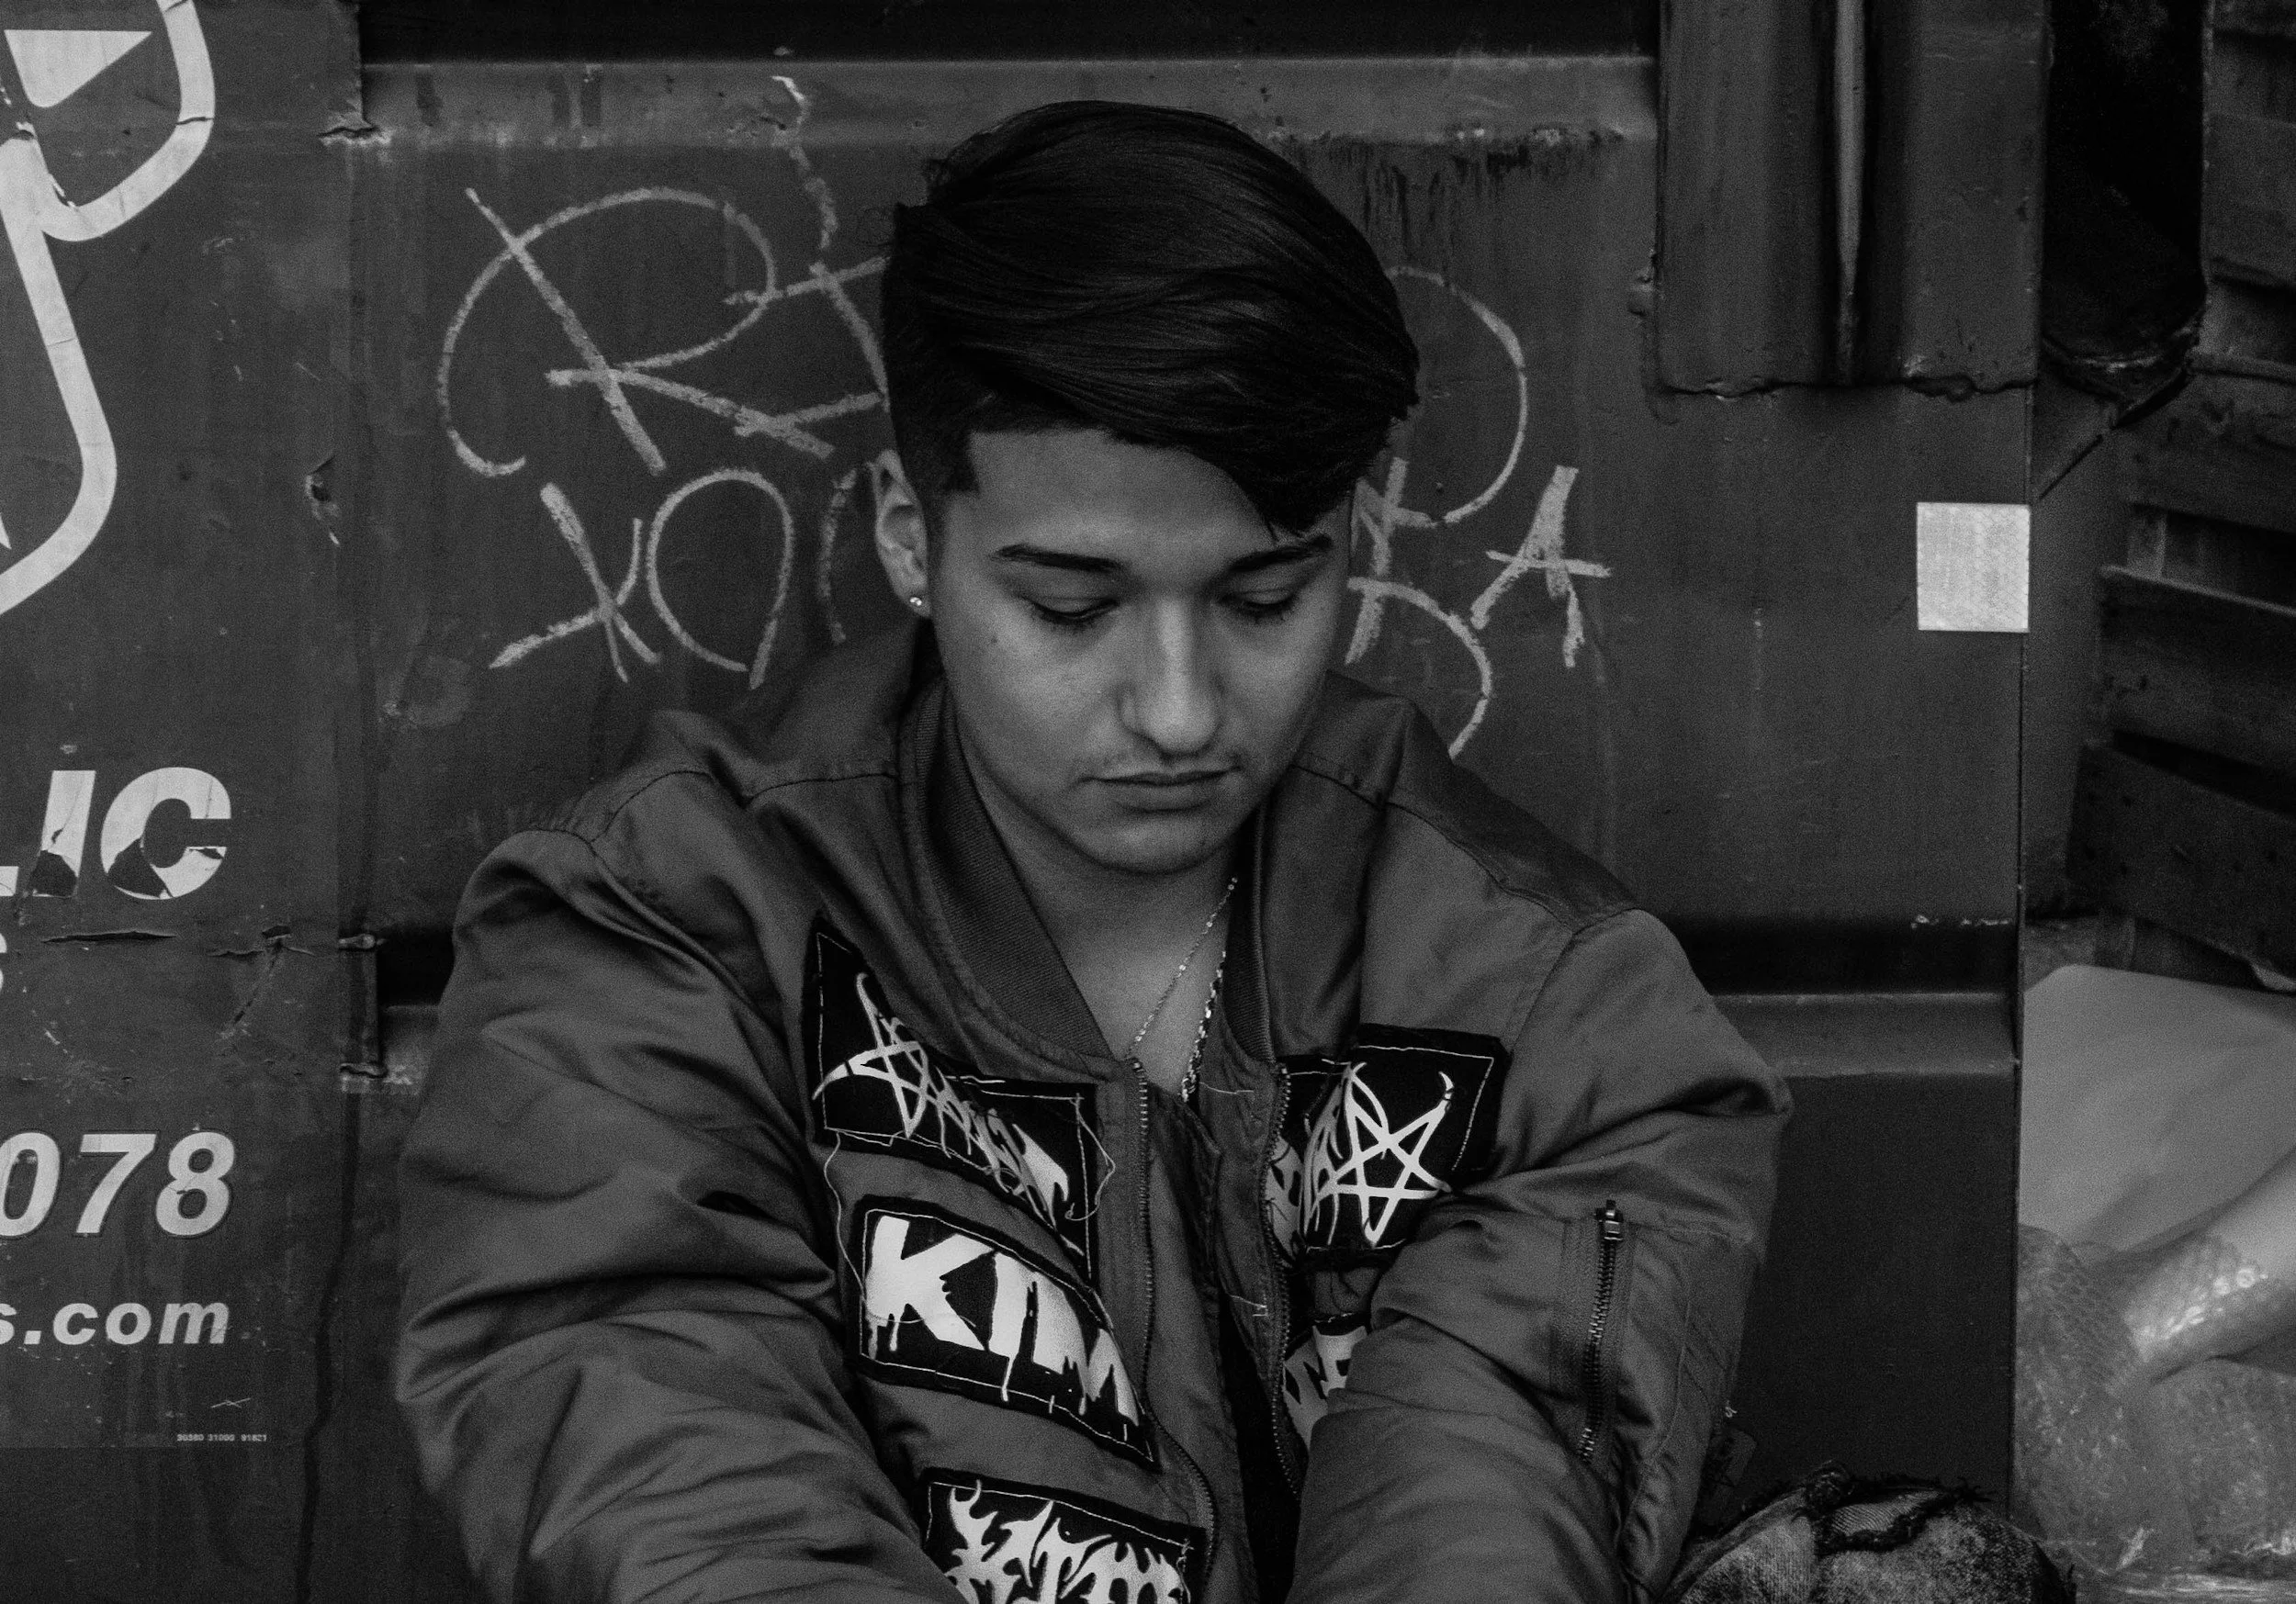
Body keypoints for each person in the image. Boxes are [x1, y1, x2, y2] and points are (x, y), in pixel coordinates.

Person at [396, 100, 1790, 1604]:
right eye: (1073, 607)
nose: (1181, 711)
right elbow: (681, 1481)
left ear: (1356, 545)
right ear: (909, 540)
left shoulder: (1551, 1009)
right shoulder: (659, 936)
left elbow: (1481, 1511)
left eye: (1263, 598)